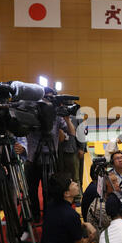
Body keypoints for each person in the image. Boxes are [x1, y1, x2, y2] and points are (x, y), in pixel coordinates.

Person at [25, 87, 76, 222]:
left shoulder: (56, 116)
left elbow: (72, 133)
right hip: (33, 160)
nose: (49, 101)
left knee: (50, 191)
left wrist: (67, 118)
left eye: (52, 98)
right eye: (47, 98)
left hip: (50, 160)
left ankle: (49, 215)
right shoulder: (32, 113)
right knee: (32, 190)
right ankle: (35, 215)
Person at [38, 173, 97, 243]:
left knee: (82, 230)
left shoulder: (51, 206)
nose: (76, 184)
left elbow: (62, 226)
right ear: (66, 193)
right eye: (72, 183)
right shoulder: (71, 214)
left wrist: (83, 224)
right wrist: (92, 238)